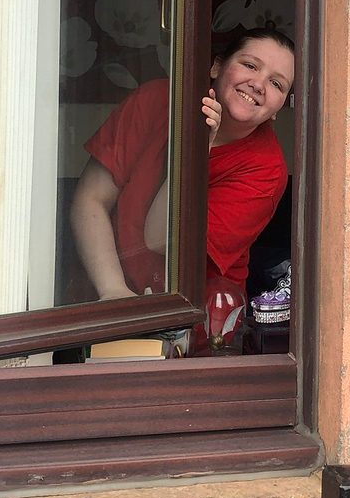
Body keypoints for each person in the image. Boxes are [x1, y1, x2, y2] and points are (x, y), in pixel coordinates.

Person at [70, 27, 294, 305]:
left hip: (195, 321)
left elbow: (159, 239)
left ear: (277, 110)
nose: (259, 84)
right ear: (216, 66)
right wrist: (113, 292)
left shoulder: (267, 171)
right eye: (250, 65)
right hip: (105, 287)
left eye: (277, 84)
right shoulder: (155, 99)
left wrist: (194, 150)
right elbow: (91, 199)